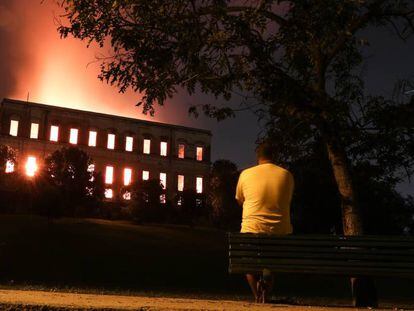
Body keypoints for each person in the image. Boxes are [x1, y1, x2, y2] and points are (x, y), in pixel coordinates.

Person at [235, 141, 294, 302]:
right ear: (274, 156)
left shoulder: (245, 174)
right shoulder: (286, 175)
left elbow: (240, 200)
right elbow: (287, 201)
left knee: (248, 264)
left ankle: (257, 295)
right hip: (278, 232)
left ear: (258, 157)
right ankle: (266, 291)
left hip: (251, 229)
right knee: (271, 263)